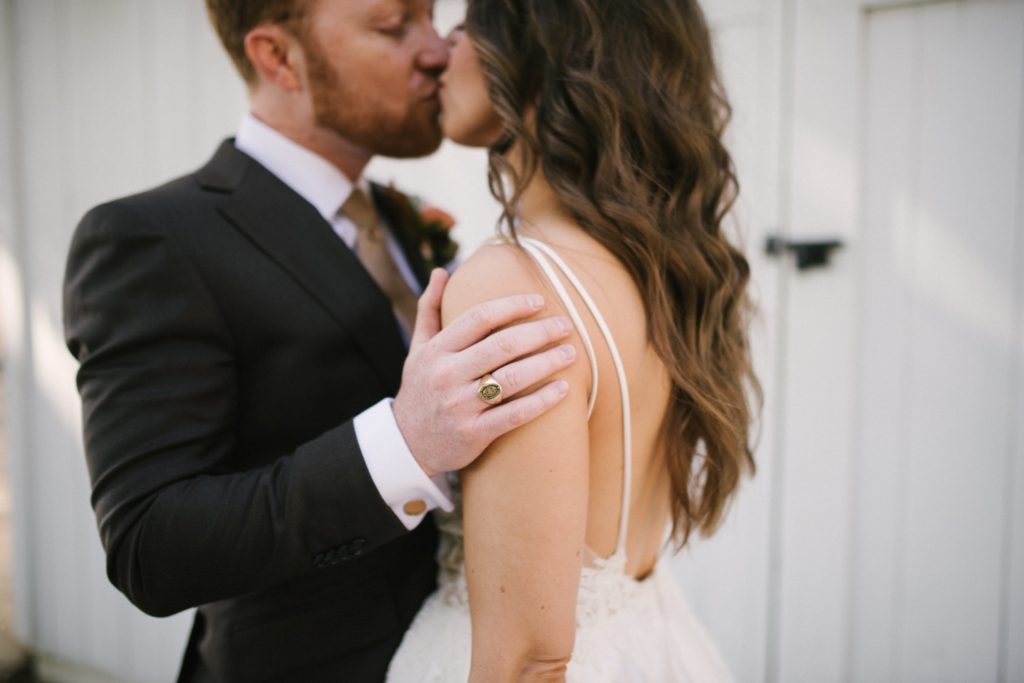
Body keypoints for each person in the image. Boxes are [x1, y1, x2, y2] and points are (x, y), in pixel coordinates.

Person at [61, 1, 579, 680]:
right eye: (395, 27)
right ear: (278, 58)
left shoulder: (401, 220)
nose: (436, 50)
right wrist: (405, 443)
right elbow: (150, 545)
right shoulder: (152, 238)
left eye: (432, 18)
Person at [386, 0, 763, 680]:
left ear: (538, 56)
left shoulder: (514, 284)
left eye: (468, 24)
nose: (442, 47)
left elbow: (530, 657)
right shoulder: (660, 266)